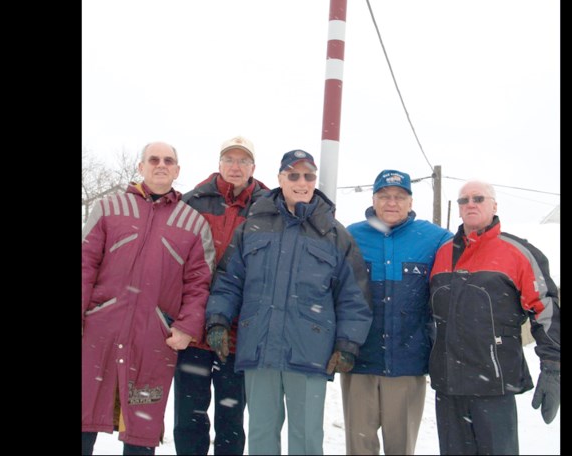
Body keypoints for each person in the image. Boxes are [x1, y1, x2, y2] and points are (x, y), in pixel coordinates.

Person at [204, 149, 373, 455]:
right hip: (260, 346)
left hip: (309, 351)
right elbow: (229, 280)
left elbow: (353, 296)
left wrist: (348, 344)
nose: (301, 182)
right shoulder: (253, 226)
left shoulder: (334, 234)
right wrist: (217, 319)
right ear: (280, 178)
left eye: (308, 176)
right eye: (293, 175)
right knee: (261, 434)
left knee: (306, 437)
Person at [82, 142, 216, 455]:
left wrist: (186, 326)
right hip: (99, 331)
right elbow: (85, 263)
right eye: (153, 159)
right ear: (141, 167)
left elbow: (199, 282)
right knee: (85, 413)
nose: (161, 165)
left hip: (153, 339)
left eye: (168, 160)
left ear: (177, 171)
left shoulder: (193, 223)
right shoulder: (109, 207)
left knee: (141, 426)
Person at [429, 181, 560, 455]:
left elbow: (545, 308)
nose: (470, 204)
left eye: (479, 198)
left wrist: (553, 365)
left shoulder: (517, 252)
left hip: (494, 386)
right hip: (449, 387)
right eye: (464, 200)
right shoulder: (441, 254)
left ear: (494, 205)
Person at [341, 169, 453, 455]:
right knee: (359, 447)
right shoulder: (350, 236)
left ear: (411, 201)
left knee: (401, 447)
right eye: (385, 196)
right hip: (360, 361)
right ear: (374, 199)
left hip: (407, 363)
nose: (392, 202)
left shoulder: (436, 239)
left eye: (399, 197)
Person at [173, 136, 270, 455]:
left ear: (253, 167)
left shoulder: (267, 207)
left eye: (243, 161)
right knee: (190, 417)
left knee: (231, 418)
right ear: (219, 164)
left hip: (238, 331)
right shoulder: (193, 201)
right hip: (194, 327)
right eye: (230, 159)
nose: (236, 166)